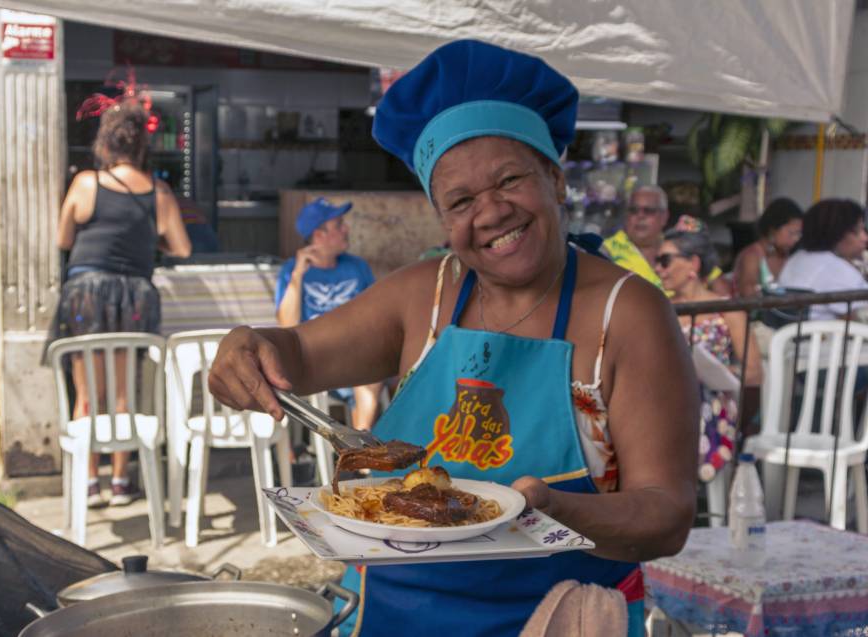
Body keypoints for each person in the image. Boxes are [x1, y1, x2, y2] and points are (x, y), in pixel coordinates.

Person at [208, 40, 697, 637]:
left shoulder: (629, 313)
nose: (489, 212)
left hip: (553, 617)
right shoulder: (423, 295)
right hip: (392, 615)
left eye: (510, 179)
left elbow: (667, 514)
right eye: (460, 201)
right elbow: (298, 353)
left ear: (556, 178)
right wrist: (250, 344)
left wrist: (556, 511)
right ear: (442, 218)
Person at [51, 98, 192, 507]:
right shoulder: (159, 192)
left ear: (107, 144)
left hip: (86, 294)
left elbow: (63, 239)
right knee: (122, 392)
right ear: (141, 146)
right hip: (134, 295)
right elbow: (181, 248)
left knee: (86, 393)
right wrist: (151, 239)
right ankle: (119, 483)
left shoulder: (86, 183)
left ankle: (89, 482)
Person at [655, 216, 762, 483]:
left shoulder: (728, 309)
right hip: (664, 398)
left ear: (693, 263)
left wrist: (716, 370)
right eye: (657, 261)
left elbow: (753, 372)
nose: (658, 269)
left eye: (665, 260)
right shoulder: (658, 308)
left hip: (713, 402)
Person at [275, 198, 382, 431]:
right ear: (319, 234)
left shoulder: (357, 266)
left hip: (356, 353)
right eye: (339, 225)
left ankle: (360, 458)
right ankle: (362, 456)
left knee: (378, 372)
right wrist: (298, 276)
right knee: (369, 376)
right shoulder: (292, 271)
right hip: (314, 359)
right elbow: (287, 324)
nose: (347, 229)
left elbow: (377, 313)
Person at [777, 199, 868, 320]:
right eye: (857, 231)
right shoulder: (836, 269)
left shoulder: (797, 258)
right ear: (837, 234)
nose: (865, 238)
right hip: (825, 338)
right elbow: (860, 318)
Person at [731, 197, 803, 298]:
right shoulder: (752, 256)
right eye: (791, 233)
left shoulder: (789, 255)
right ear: (773, 229)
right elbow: (747, 294)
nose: (796, 239)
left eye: (799, 234)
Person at [603, 186, 670, 288]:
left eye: (648, 210)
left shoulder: (676, 251)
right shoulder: (605, 251)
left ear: (664, 217)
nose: (640, 216)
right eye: (633, 210)